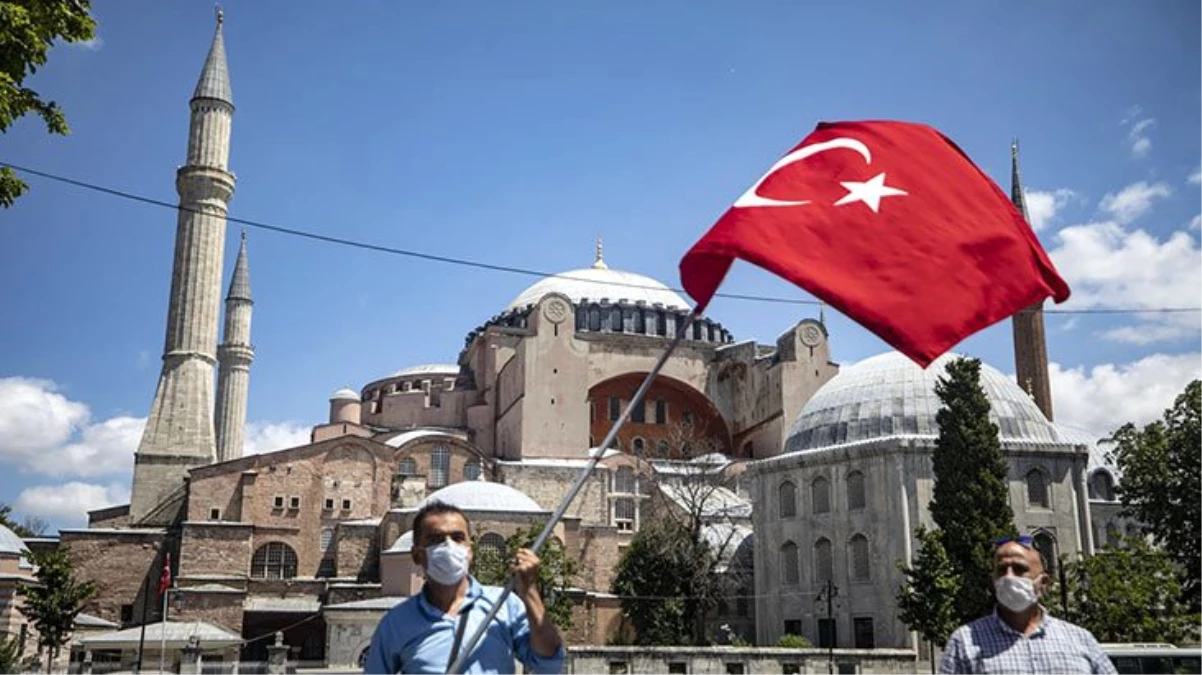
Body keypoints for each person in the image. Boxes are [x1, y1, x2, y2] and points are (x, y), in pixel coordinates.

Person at [364, 501, 565, 675]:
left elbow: (548, 664)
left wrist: (529, 590)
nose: (448, 546)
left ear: (470, 551)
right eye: (435, 539)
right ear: (417, 554)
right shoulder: (397, 623)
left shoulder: (504, 606)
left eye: (457, 537)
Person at [939, 535, 1116, 674]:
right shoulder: (965, 642)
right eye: (1002, 569)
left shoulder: (1080, 640)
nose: (1009, 577)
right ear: (992, 582)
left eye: (1019, 569)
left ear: (1044, 581)